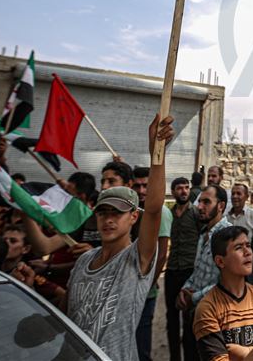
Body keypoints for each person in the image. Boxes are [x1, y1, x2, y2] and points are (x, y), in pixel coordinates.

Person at [67, 114, 174, 360]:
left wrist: (156, 154)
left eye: (117, 212)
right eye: (103, 213)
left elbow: (155, 209)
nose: (109, 219)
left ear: (134, 217)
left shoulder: (137, 259)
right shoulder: (83, 262)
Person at [192, 226, 253, 361]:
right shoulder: (207, 308)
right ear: (220, 261)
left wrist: (244, 353)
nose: (248, 252)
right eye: (238, 248)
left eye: (248, 245)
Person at [178, 184, 232, 358]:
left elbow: (228, 281)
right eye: (199, 202)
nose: (200, 207)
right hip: (194, 314)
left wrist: (193, 297)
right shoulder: (204, 234)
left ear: (221, 206)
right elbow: (197, 271)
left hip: (213, 319)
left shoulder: (228, 236)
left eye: (206, 202)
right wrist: (184, 290)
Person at [131, 165, 174, 361]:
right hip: (131, 288)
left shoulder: (161, 213)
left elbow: (162, 253)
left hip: (144, 293)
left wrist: (147, 284)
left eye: (145, 185)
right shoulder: (138, 211)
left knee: (141, 348)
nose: (141, 191)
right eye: (137, 186)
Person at [168, 176, 202, 361]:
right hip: (172, 270)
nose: (183, 191)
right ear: (173, 191)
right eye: (179, 188)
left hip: (190, 271)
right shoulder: (169, 214)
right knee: (171, 318)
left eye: (186, 188)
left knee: (190, 319)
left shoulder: (196, 213)